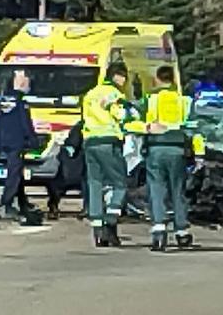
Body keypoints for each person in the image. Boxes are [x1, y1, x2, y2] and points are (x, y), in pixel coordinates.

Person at [141, 65, 195, 251]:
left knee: (157, 190)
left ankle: (159, 232)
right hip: (177, 149)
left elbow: (147, 124)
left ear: (157, 79)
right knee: (178, 191)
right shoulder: (183, 101)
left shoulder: (152, 99)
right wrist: (198, 153)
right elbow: (192, 128)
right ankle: (182, 232)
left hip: (156, 148)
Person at [81, 62, 130, 247]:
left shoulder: (90, 93)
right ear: (117, 76)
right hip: (108, 141)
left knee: (95, 183)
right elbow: (122, 115)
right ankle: (112, 215)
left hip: (90, 141)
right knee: (120, 183)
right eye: (124, 77)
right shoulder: (114, 94)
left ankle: (97, 228)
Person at [0, 70, 42, 225]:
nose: (28, 84)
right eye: (26, 81)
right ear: (19, 83)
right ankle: (6, 202)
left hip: (4, 142)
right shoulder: (21, 102)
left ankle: (22, 203)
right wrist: (34, 141)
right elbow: (25, 124)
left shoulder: (2, 101)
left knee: (16, 172)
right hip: (16, 142)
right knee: (14, 173)